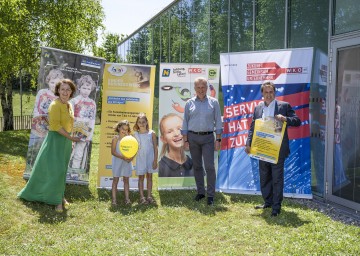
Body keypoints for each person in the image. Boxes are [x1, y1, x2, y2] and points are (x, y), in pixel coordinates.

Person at [18, 79, 81, 212]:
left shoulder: (69, 105)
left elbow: (69, 124)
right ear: (58, 90)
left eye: (68, 89)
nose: (65, 92)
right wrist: (71, 138)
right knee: (55, 171)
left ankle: (60, 196)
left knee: (62, 170)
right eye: (62, 89)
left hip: (65, 141)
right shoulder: (54, 105)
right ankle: (57, 201)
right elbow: (56, 126)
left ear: (72, 92)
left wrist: (71, 141)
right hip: (55, 140)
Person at [245, 81, 301, 217]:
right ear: (262, 93)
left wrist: (285, 118)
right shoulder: (258, 107)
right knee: (264, 177)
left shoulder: (284, 106)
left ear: (274, 93)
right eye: (266, 92)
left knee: (276, 178)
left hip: (277, 149)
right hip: (262, 148)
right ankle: (268, 202)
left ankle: (276, 207)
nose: (269, 95)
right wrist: (248, 143)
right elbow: (253, 126)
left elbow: (297, 121)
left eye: (271, 92)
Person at [182, 77, 222, 206]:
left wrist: (219, 139)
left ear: (206, 88)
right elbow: (185, 123)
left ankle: (210, 195)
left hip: (208, 138)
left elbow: (219, 122)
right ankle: (200, 192)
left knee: (209, 167)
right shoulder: (189, 103)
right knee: (197, 166)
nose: (201, 89)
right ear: (194, 89)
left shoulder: (214, 102)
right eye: (198, 87)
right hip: (193, 138)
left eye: (203, 87)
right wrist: (185, 140)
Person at [69, 75, 97, 171]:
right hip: (74, 128)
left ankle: (74, 172)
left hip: (85, 129)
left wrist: (90, 134)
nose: (86, 91)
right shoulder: (73, 101)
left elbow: (92, 120)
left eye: (88, 88)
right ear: (79, 87)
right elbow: (70, 118)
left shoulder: (92, 103)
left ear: (91, 89)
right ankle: (64, 172)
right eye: (84, 88)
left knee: (79, 153)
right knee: (69, 152)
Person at [133, 113, 158, 204]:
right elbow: (133, 148)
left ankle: (149, 196)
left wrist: (155, 160)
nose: (142, 124)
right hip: (140, 158)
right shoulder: (135, 135)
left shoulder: (152, 133)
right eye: (139, 122)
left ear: (147, 122)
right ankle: (142, 197)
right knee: (141, 177)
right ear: (137, 123)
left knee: (150, 177)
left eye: (143, 122)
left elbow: (155, 147)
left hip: (150, 158)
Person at [158, 113, 193, 177]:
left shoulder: (196, 165)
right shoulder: (160, 168)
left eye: (179, 129)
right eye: (170, 131)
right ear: (163, 139)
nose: (176, 134)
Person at [111, 120, 134, 206]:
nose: (124, 131)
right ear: (119, 128)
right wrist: (122, 157)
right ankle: (114, 200)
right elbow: (113, 152)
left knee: (126, 180)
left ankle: (127, 199)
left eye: (126, 129)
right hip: (117, 161)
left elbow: (133, 149)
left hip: (126, 162)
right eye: (123, 129)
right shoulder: (115, 139)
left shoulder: (129, 140)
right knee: (115, 180)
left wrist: (130, 158)